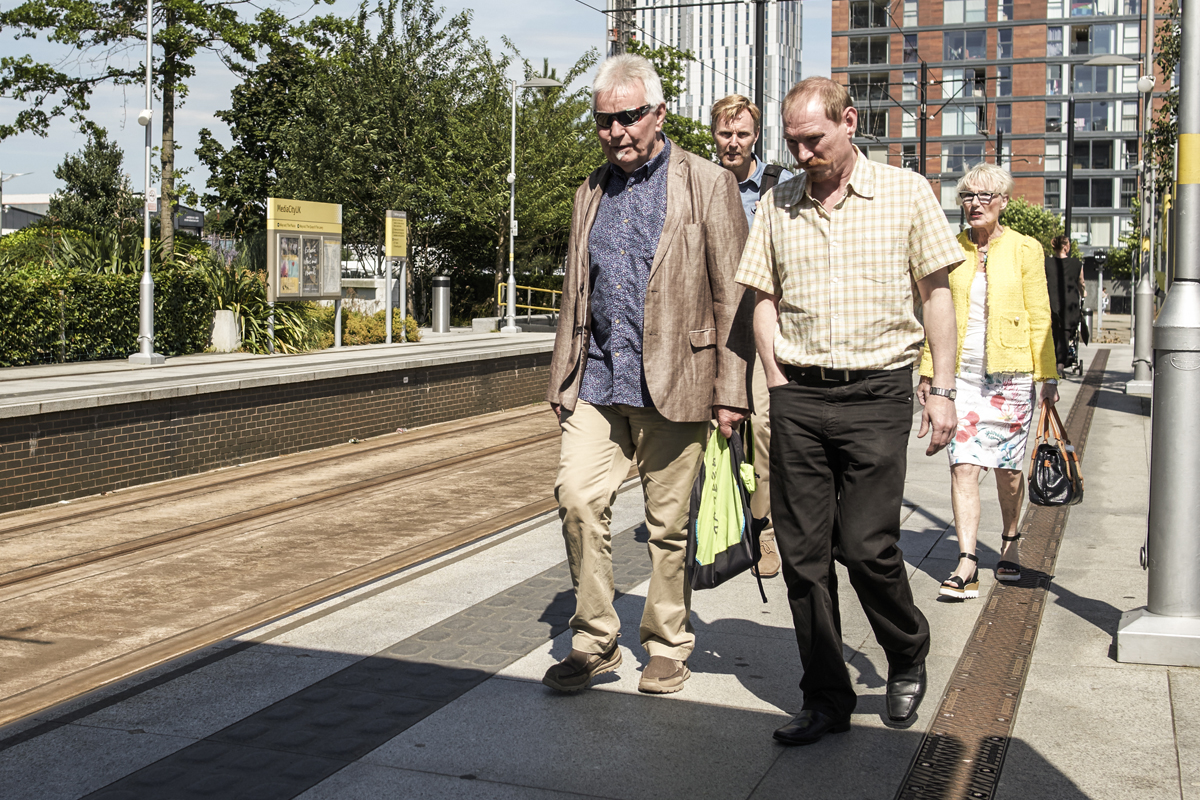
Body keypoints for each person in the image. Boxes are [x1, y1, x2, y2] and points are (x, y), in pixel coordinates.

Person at [735, 77, 963, 745]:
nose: (803, 152)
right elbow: (763, 296)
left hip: (877, 392)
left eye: (815, 138)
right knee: (805, 560)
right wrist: (776, 378)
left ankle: (907, 649)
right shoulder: (777, 202)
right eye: (794, 140)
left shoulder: (906, 192)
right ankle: (826, 696)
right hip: (799, 395)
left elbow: (937, 295)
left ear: (849, 122)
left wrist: (941, 387)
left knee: (866, 547)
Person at [543, 54, 752, 696]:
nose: (617, 132)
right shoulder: (591, 190)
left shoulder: (708, 183)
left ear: (658, 114)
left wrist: (733, 392)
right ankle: (595, 640)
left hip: (678, 382)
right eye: (605, 120)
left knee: (669, 527)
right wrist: (561, 376)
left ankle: (666, 642)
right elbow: (578, 290)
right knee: (577, 497)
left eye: (629, 117)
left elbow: (734, 297)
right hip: (600, 382)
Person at [921, 164, 1059, 599]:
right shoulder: (948, 248)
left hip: (1012, 375)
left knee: (1006, 471)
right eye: (967, 196)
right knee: (963, 464)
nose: (974, 204)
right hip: (960, 375)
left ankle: (1011, 540)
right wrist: (929, 370)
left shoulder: (1025, 249)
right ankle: (966, 562)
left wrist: (1048, 375)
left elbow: (1041, 315)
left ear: (1002, 201)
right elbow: (932, 311)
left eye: (984, 196)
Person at [711, 93, 795, 580]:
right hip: (718, 331)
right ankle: (718, 521)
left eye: (742, 134)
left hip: (767, 325)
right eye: (725, 133)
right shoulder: (702, 183)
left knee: (763, 429)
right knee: (713, 431)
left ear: (755, 136)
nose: (733, 142)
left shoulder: (779, 185)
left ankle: (763, 529)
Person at [1044, 234, 1085, 373]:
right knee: (1066, 334)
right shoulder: (1076, 264)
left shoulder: (1047, 263)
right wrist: (1083, 293)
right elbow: (1081, 283)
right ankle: (1060, 363)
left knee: (1053, 332)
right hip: (1070, 305)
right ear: (1066, 247)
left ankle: (1052, 361)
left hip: (1051, 304)